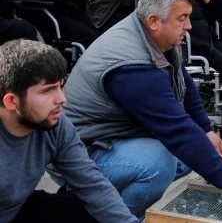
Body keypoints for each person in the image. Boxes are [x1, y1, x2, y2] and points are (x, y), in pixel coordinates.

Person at [63, 0, 222, 220]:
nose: (189, 26)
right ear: (154, 21)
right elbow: (177, 129)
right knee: (160, 163)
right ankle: (117, 215)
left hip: (116, 134)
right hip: (82, 153)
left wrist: (205, 130)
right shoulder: (132, 69)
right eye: (182, 18)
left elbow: (185, 83)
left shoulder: (153, 35)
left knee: (191, 157)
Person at [0, 40, 137, 223]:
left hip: (16, 209)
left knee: (89, 208)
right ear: (11, 101)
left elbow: (90, 183)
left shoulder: (53, 122)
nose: (62, 99)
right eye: (47, 90)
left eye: (60, 86)